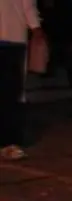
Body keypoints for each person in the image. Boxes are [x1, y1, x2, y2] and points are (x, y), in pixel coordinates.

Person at [0, 0, 44, 159]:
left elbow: (28, 5)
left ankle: (9, 142)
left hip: (13, 40)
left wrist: (36, 27)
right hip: (13, 41)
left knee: (11, 93)